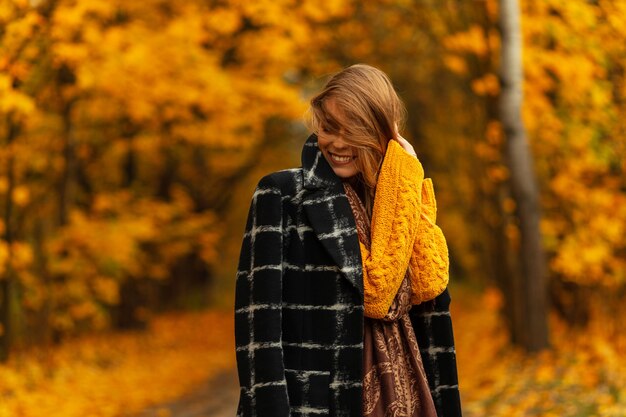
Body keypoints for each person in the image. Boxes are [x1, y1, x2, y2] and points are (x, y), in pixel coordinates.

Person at [234, 64, 462, 417]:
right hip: (313, 405)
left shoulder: (397, 199)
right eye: (328, 128)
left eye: (352, 131)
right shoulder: (282, 195)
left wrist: (407, 173)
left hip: (408, 395)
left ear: (380, 132)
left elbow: (431, 294)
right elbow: (258, 330)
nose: (338, 143)